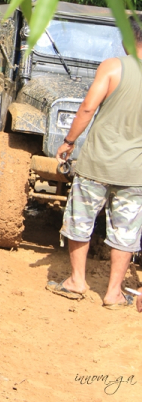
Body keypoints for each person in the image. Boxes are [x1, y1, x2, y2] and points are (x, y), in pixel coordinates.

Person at [46, 16, 142, 310]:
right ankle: (113, 293)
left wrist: (69, 141)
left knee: (81, 220)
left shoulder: (113, 67)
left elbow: (88, 108)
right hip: (135, 171)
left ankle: (77, 281)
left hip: (97, 163)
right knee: (125, 231)